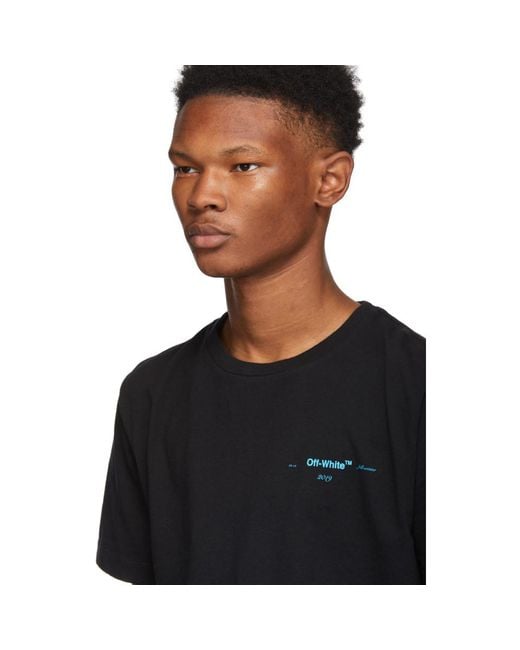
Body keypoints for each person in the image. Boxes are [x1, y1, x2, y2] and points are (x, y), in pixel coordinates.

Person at [95, 65, 426, 585]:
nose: (202, 196)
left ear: (330, 180)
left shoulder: (418, 385)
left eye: (243, 166)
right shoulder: (151, 393)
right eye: (185, 168)